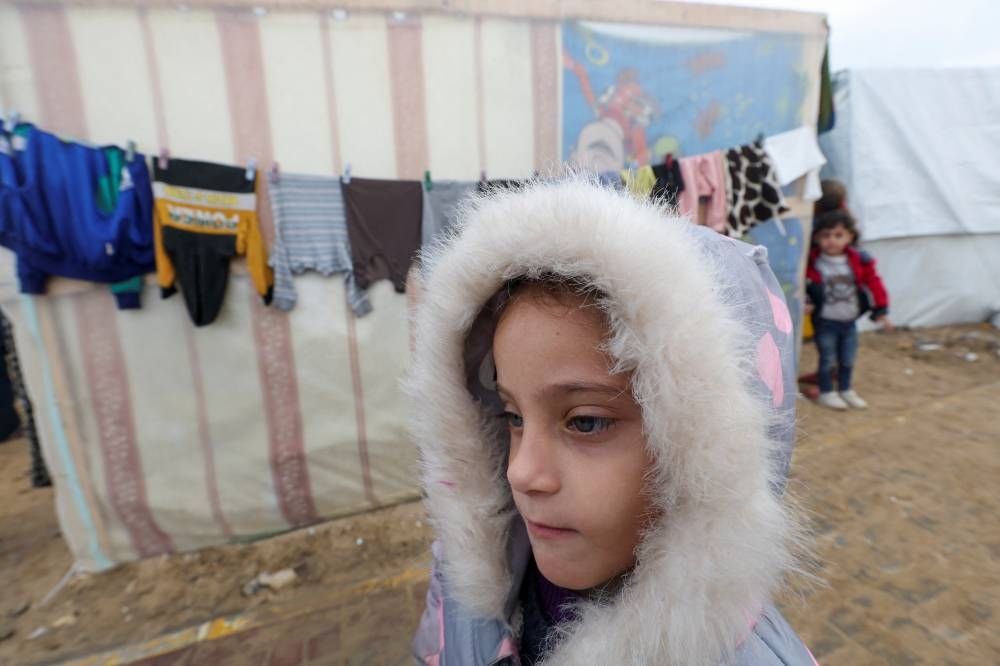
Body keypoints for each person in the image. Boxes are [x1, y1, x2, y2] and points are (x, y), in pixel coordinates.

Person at [407, 178, 816, 664]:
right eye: (512, 416)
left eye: (585, 422)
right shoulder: (467, 582)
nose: (521, 472)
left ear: (707, 452)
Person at [806, 208, 892, 411]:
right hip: (825, 321)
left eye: (838, 235)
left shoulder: (859, 261)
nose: (832, 241)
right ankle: (827, 392)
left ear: (849, 237)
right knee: (827, 359)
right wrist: (806, 301)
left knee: (847, 359)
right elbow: (804, 285)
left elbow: (874, 283)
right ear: (817, 238)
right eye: (825, 236)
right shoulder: (812, 262)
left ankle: (846, 389)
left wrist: (881, 310)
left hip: (849, 322)